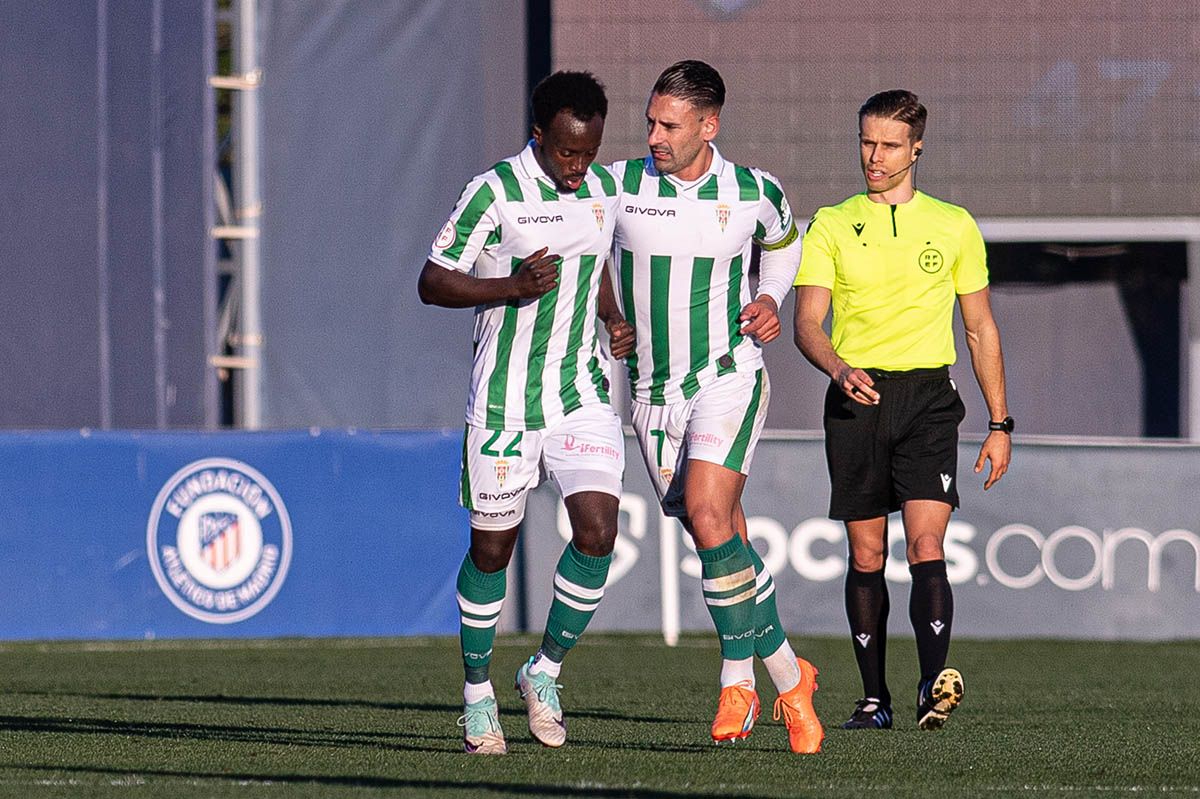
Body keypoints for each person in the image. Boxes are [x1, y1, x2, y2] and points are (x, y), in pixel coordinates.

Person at [605, 60, 823, 754]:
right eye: (650, 121)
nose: (655, 136)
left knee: (706, 511)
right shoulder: (618, 184)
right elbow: (580, 252)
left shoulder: (754, 191)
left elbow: (786, 247)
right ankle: (791, 673)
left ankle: (738, 679)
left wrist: (769, 299)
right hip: (650, 393)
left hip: (728, 376)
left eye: (669, 125)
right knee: (719, 532)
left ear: (709, 125)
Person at [418, 70, 634, 755]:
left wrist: (611, 314)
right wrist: (508, 286)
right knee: (492, 549)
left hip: (579, 392)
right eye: (567, 152)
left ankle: (543, 671)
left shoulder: (601, 189)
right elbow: (431, 280)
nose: (578, 168)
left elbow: (593, 255)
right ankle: (477, 694)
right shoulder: (494, 192)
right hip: (505, 400)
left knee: (598, 532)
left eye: (589, 152)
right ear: (538, 136)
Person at [793, 89, 1012, 731]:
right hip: (855, 398)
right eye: (867, 142)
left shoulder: (954, 225)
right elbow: (808, 322)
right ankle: (872, 699)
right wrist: (838, 367)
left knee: (924, 543)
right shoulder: (831, 223)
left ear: (917, 148)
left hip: (928, 401)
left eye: (889, 145)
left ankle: (930, 685)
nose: (875, 156)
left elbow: (980, 329)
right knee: (866, 555)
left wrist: (1000, 423)